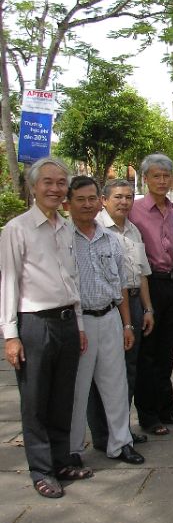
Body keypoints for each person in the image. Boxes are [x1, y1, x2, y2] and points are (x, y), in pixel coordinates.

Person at [1, 158, 87, 498]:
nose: (55, 188)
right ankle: (41, 471)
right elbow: (8, 282)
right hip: (35, 323)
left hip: (67, 321)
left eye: (61, 182)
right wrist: (10, 335)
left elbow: (72, 278)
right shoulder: (17, 229)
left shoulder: (65, 227)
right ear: (33, 186)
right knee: (35, 401)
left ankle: (61, 461)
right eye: (48, 182)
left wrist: (79, 323)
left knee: (62, 397)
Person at [67, 176, 144, 466]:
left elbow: (120, 284)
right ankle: (73, 449)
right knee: (78, 389)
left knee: (117, 385)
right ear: (69, 203)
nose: (87, 205)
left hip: (110, 316)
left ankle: (121, 443)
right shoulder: (63, 239)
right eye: (80, 199)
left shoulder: (110, 239)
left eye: (91, 199)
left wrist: (127, 324)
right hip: (80, 322)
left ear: (98, 201)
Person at [88, 179, 155, 450]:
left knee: (128, 369)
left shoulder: (132, 229)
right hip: (108, 306)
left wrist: (148, 309)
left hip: (135, 303)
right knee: (102, 374)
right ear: (104, 200)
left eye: (128, 197)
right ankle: (102, 434)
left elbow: (142, 273)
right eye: (118, 197)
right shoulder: (95, 229)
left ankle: (121, 430)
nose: (124, 202)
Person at [129, 153, 173, 436]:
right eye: (156, 176)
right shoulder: (134, 210)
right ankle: (149, 415)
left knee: (166, 350)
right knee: (147, 354)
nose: (162, 181)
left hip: (171, 283)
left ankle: (166, 408)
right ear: (145, 179)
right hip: (146, 284)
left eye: (166, 176)